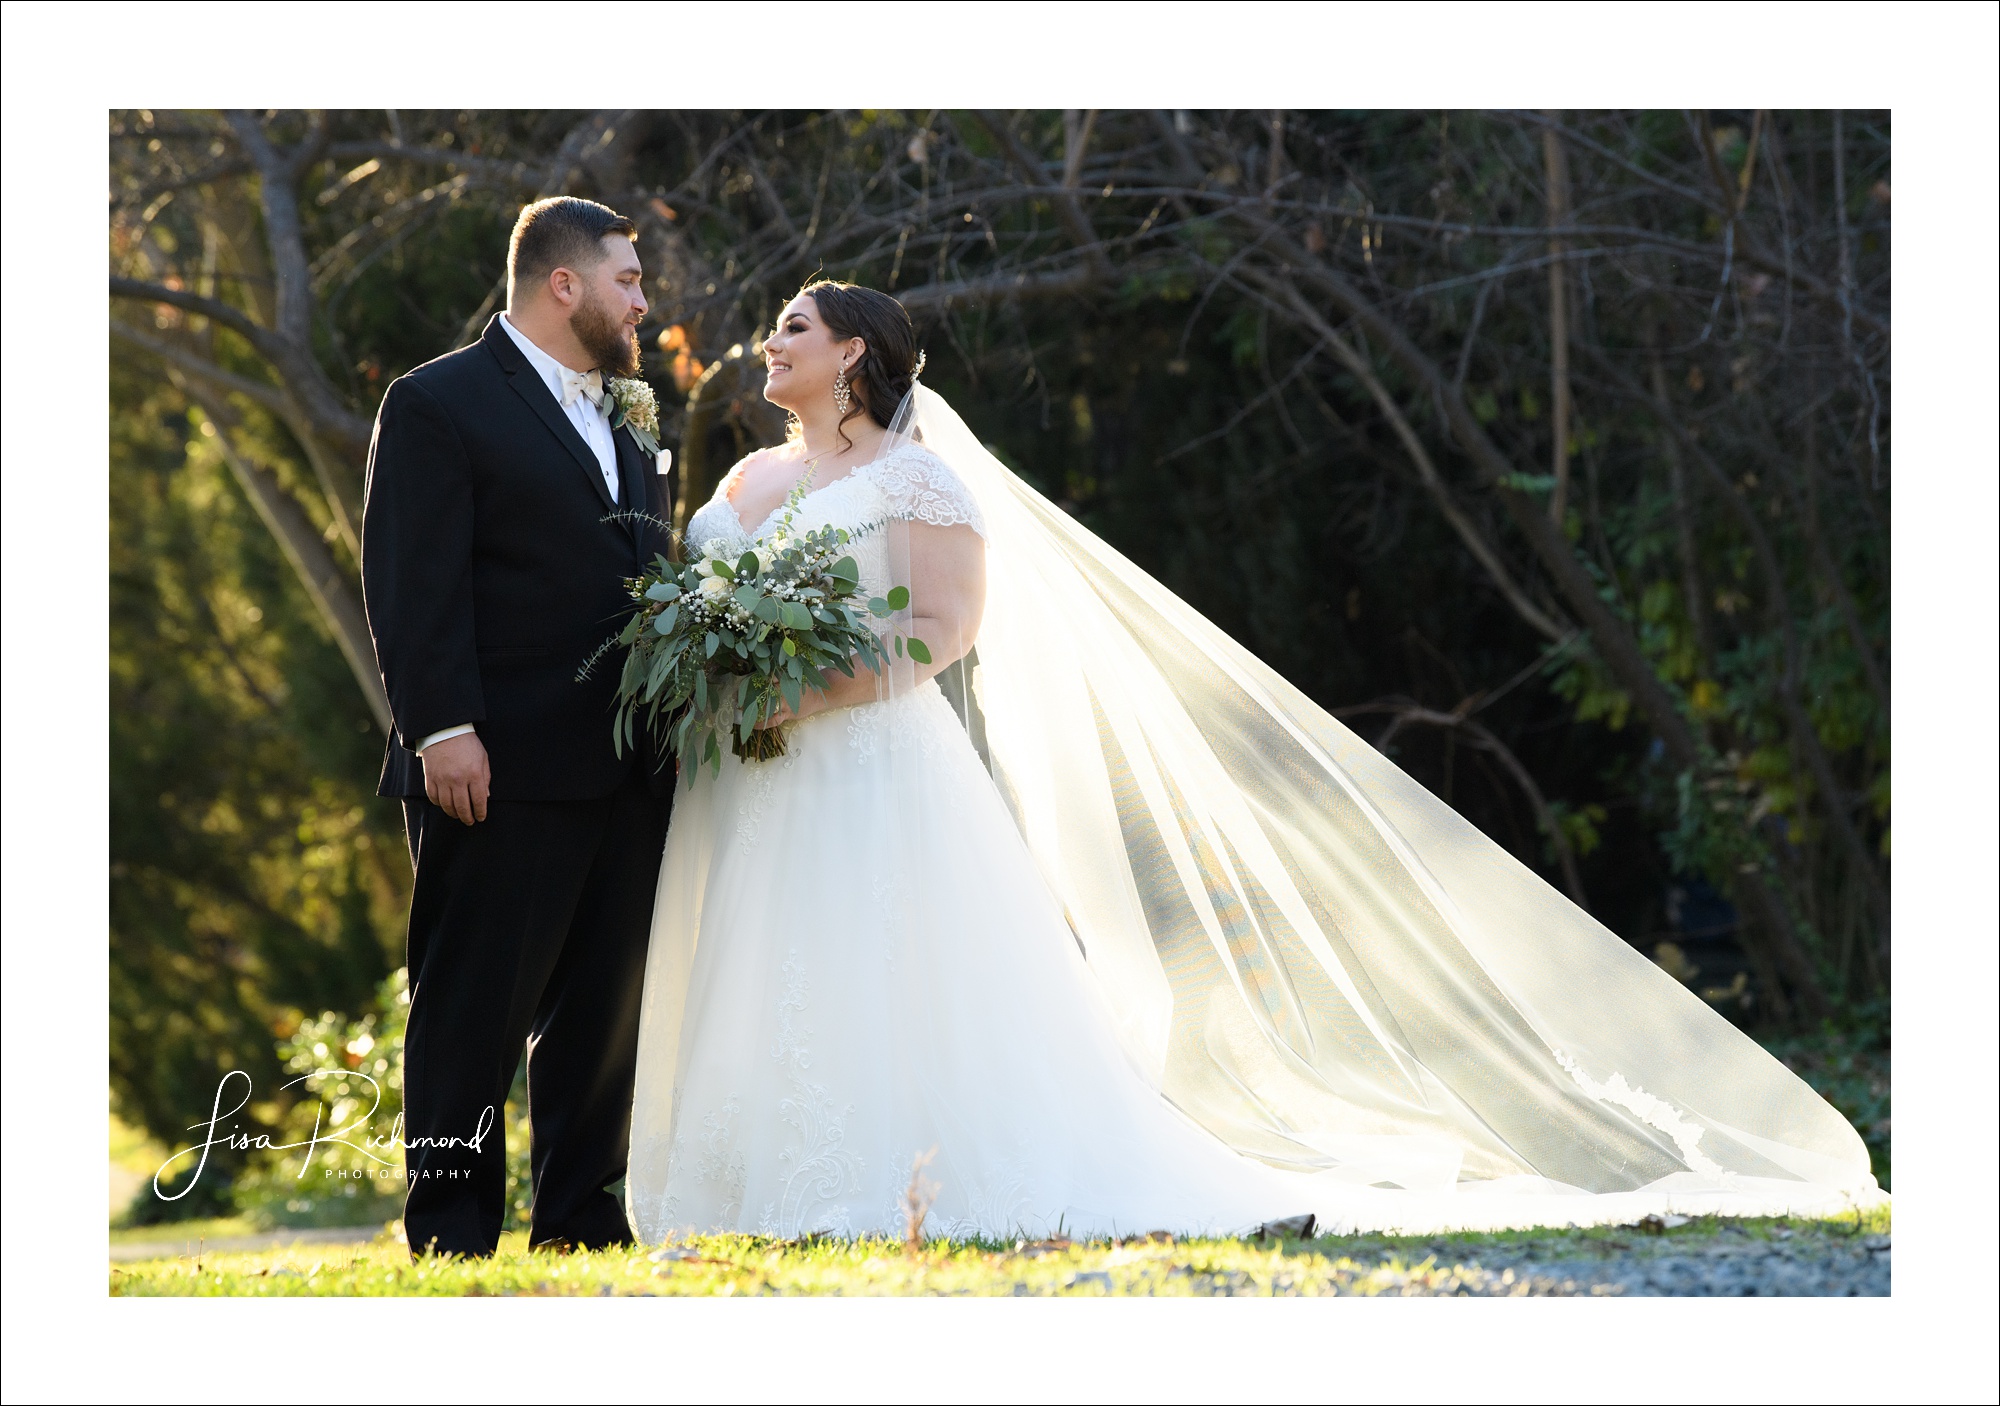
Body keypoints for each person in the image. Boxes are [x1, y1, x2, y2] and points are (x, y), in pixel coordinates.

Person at [624, 279, 1884, 1242]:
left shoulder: (919, 478)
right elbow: (703, 612)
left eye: (794, 324)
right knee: (768, 964)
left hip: (870, 776)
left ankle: (899, 1186)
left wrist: (796, 694)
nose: (769, 340)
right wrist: (728, 689)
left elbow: (939, 633)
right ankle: (756, 1190)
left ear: (851, 352)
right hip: (755, 783)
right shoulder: (739, 476)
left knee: (894, 975)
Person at [361, 197, 675, 1256]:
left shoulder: (629, 410)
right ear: (563, 284)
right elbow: (413, 580)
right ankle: (451, 1230)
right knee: (469, 1014)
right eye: (628, 281)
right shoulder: (438, 401)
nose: (642, 300)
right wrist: (442, 725)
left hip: (628, 765)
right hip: (493, 763)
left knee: (600, 1016)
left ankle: (583, 1222)